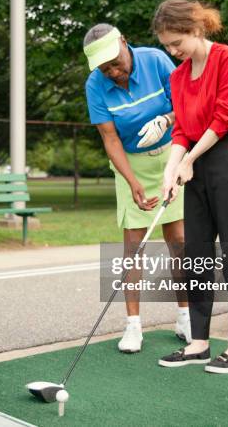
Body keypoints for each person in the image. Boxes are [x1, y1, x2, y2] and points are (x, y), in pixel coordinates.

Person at [149, 0, 228, 374]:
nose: (173, 51)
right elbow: (181, 130)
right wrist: (170, 171)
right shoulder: (177, 78)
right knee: (197, 253)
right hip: (194, 162)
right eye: (167, 46)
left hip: (227, 157)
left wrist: (189, 160)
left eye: (176, 42)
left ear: (195, 29)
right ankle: (198, 342)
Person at [83, 23, 190, 353]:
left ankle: (186, 317)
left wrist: (167, 120)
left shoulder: (156, 60)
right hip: (131, 162)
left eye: (116, 63)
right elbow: (110, 138)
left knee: (179, 242)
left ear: (125, 44)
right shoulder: (96, 85)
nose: (113, 72)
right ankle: (133, 327)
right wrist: (132, 183)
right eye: (105, 68)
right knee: (133, 247)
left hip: (171, 156)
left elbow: (185, 104)